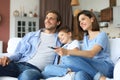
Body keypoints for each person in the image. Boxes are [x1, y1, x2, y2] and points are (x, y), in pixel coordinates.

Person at [0, 10, 62, 80]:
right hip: (19, 64)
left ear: (58, 23)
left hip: (34, 70)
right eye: (46, 18)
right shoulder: (31, 35)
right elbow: (19, 53)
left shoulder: (60, 40)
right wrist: (9, 58)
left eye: (51, 18)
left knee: (27, 77)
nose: (47, 20)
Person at [53, 10, 114, 80]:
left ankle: (100, 77)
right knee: (79, 75)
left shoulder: (102, 35)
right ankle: (97, 76)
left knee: (66, 58)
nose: (81, 23)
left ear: (92, 19)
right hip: (90, 67)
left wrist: (67, 52)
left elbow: (91, 53)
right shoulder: (85, 38)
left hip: (104, 67)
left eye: (83, 19)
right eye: (79, 21)